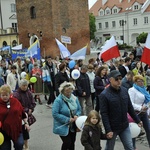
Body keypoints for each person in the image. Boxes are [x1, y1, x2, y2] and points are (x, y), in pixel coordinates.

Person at [99, 70, 142, 150]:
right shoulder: (104, 95)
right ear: (111, 80)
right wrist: (108, 130)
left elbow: (129, 108)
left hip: (124, 125)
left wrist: (137, 120)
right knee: (109, 148)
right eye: (116, 79)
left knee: (129, 147)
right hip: (112, 127)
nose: (119, 81)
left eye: (120, 78)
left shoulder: (125, 91)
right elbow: (104, 114)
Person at [52, 81, 81, 150]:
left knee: (72, 142)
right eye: (66, 92)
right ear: (62, 91)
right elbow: (55, 114)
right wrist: (67, 119)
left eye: (70, 92)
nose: (68, 94)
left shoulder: (74, 98)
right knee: (67, 142)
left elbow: (79, 109)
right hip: (62, 125)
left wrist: (77, 115)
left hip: (73, 125)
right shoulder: (58, 100)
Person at [0, 84, 30, 150]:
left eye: (6, 95)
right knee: (5, 148)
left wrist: (26, 123)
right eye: (3, 95)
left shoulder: (15, 102)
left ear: (10, 94)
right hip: (3, 131)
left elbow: (23, 114)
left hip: (16, 129)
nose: (4, 97)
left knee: (19, 145)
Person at [13, 79, 36, 150]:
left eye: (26, 85)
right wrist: (26, 110)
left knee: (25, 130)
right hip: (19, 115)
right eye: (23, 85)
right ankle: (23, 144)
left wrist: (31, 109)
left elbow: (33, 102)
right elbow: (17, 105)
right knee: (22, 130)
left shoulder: (28, 92)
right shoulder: (16, 94)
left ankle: (26, 144)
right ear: (20, 85)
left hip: (27, 113)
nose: (25, 87)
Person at [128, 75, 150, 148]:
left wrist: (147, 110)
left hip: (144, 113)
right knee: (134, 131)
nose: (141, 82)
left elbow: (146, 102)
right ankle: (133, 147)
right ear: (135, 82)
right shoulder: (132, 90)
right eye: (139, 81)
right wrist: (140, 107)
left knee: (148, 129)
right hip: (135, 113)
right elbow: (130, 103)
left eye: (142, 81)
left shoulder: (144, 89)